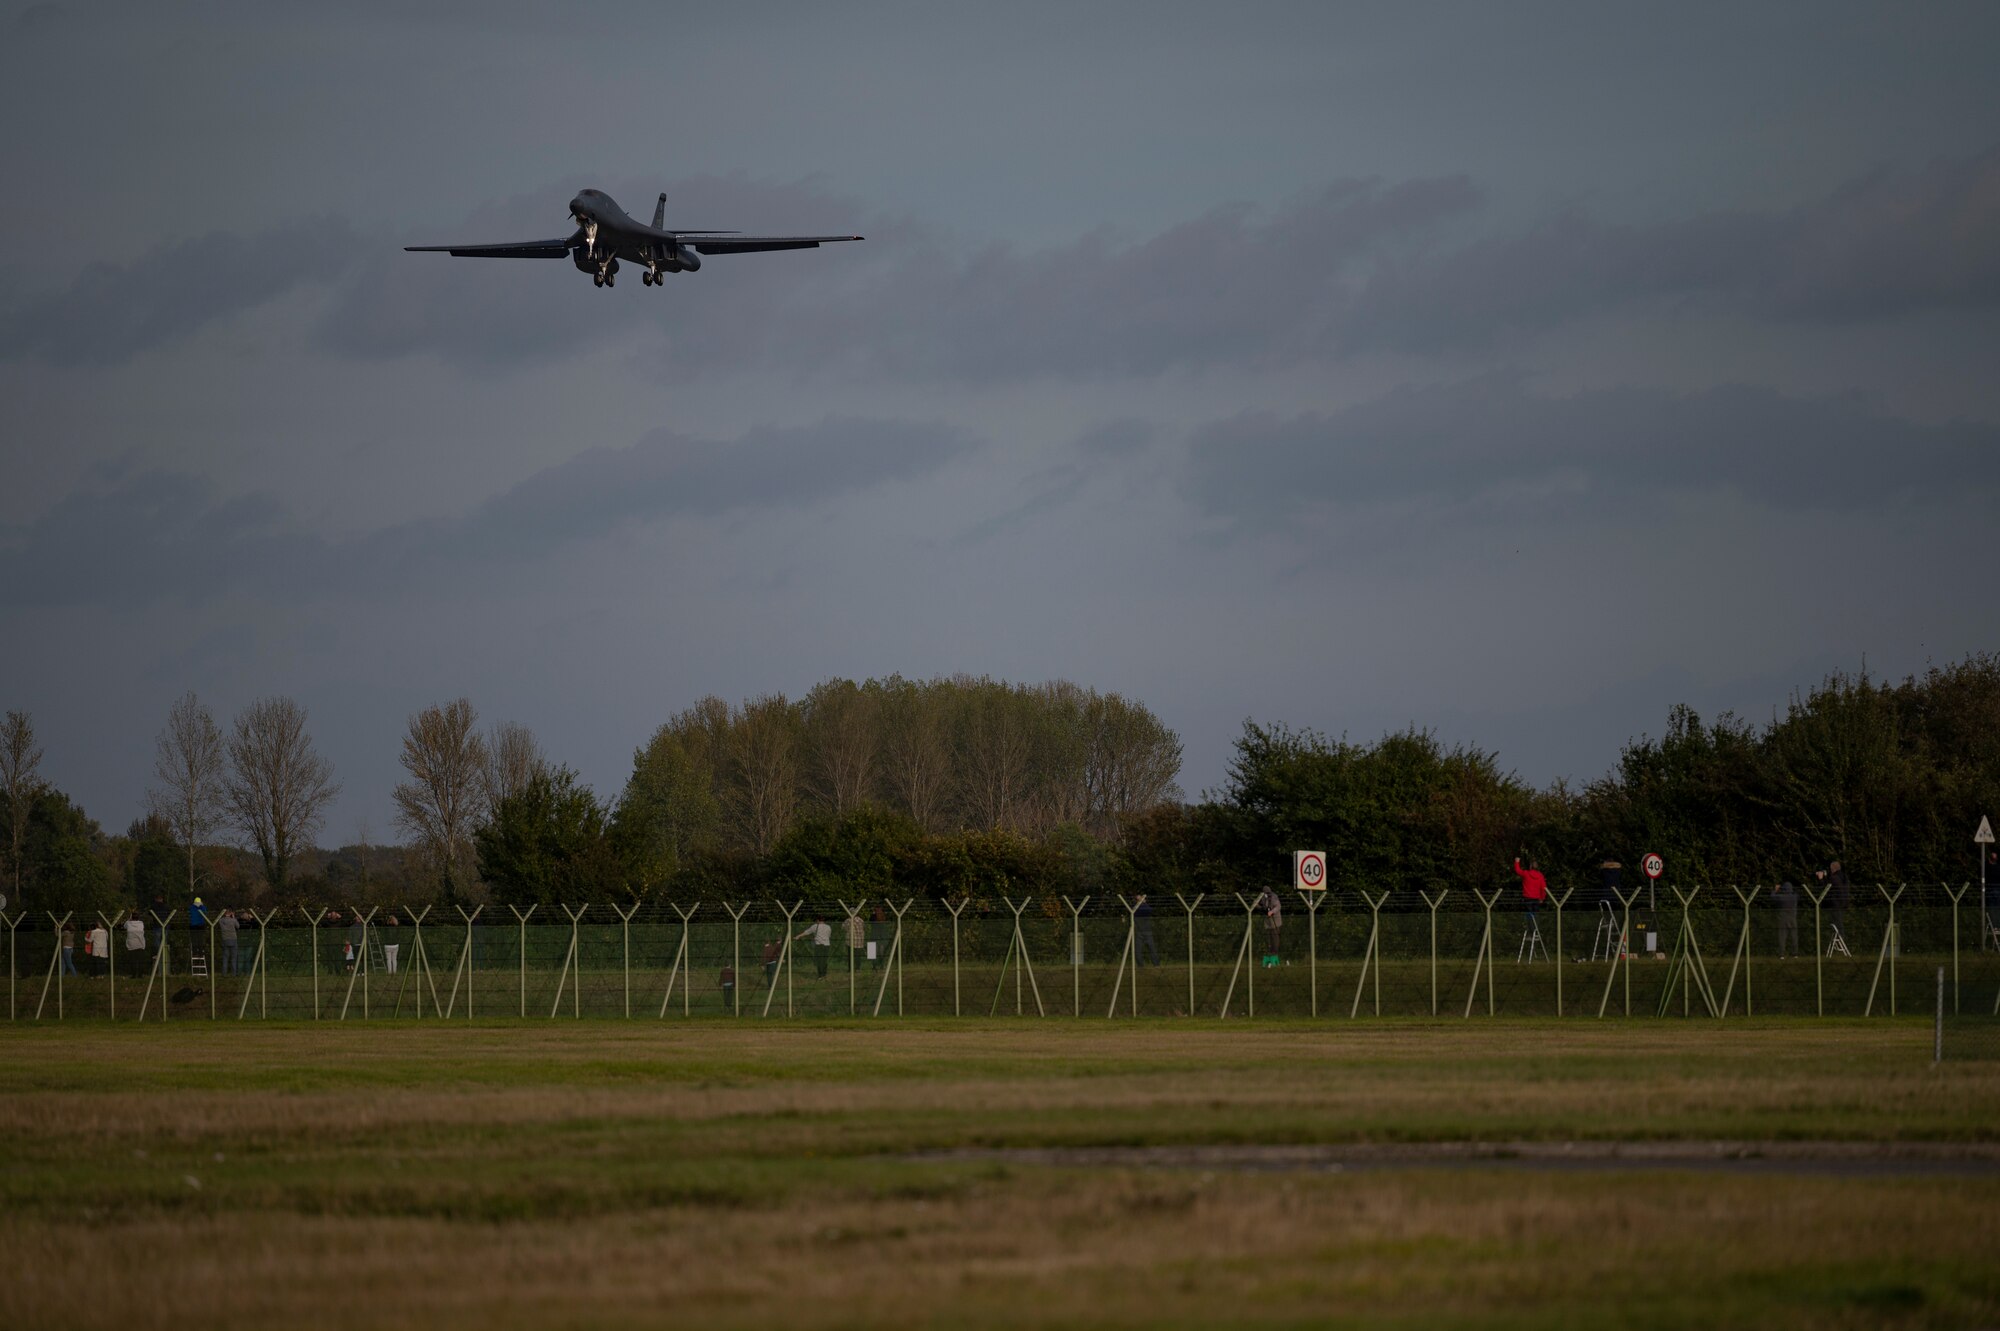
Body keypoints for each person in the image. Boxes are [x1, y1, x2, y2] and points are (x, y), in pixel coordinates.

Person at [1513, 855, 1548, 937]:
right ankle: (1535, 930)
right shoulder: (1540, 876)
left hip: (1527, 898)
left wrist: (1517, 862)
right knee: (1535, 914)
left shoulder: (1526, 874)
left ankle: (1530, 931)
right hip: (1536, 898)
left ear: (1530, 866)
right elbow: (1543, 888)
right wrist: (1542, 898)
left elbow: (1518, 871)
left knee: (1529, 914)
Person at [1772, 880, 1799, 959]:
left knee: (1782, 937)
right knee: (1794, 936)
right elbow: (1797, 894)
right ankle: (1795, 954)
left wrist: (1775, 890)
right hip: (1793, 918)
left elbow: (1772, 897)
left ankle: (1782, 954)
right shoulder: (1794, 897)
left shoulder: (1781, 897)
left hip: (1783, 919)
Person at [1258, 886, 1282, 966]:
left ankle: (1274, 954)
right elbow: (1257, 904)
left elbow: (1278, 906)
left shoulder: (1274, 897)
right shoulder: (1262, 898)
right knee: (1268, 940)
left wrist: (1271, 912)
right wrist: (1260, 908)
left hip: (1275, 922)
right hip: (1268, 923)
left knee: (1275, 939)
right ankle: (1269, 954)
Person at [1827, 860, 1852, 937]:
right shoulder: (1844, 877)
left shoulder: (1834, 878)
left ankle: (1839, 939)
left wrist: (1821, 879)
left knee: (1836, 923)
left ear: (1832, 869)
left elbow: (1827, 888)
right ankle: (1840, 939)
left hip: (1836, 904)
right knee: (1839, 922)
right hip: (1844, 903)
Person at [1135, 894, 1159, 966]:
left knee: (1148, 949)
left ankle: (1144, 965)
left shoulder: (1137, 909)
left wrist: (1141, 902)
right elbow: (1148, 909)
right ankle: (1154, 964)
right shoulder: (1138, 909)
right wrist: (1143, 902)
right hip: (1143, 931)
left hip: (1144, 931)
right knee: (1142, 950)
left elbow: (1148, 910)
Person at [217, 908, 240, 976]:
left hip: (225, 940)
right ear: (230, 913)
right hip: (233, 939)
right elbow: (238, 926)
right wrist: (233, 917)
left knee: (225, 957)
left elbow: (219, 920)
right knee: (233, 957)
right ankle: (234, 973)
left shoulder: (222, 920)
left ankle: (224, 973)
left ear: (224, 914)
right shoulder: (233, 920)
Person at [188, 896, 209, 969]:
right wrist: (202, 905)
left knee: (194, 939)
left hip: (193, 925)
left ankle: (195, 952)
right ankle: (200, 952)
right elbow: (206, 913)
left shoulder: (192, 907)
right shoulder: (202, 907)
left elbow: (189, 913)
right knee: (200, 939)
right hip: (200, 925)